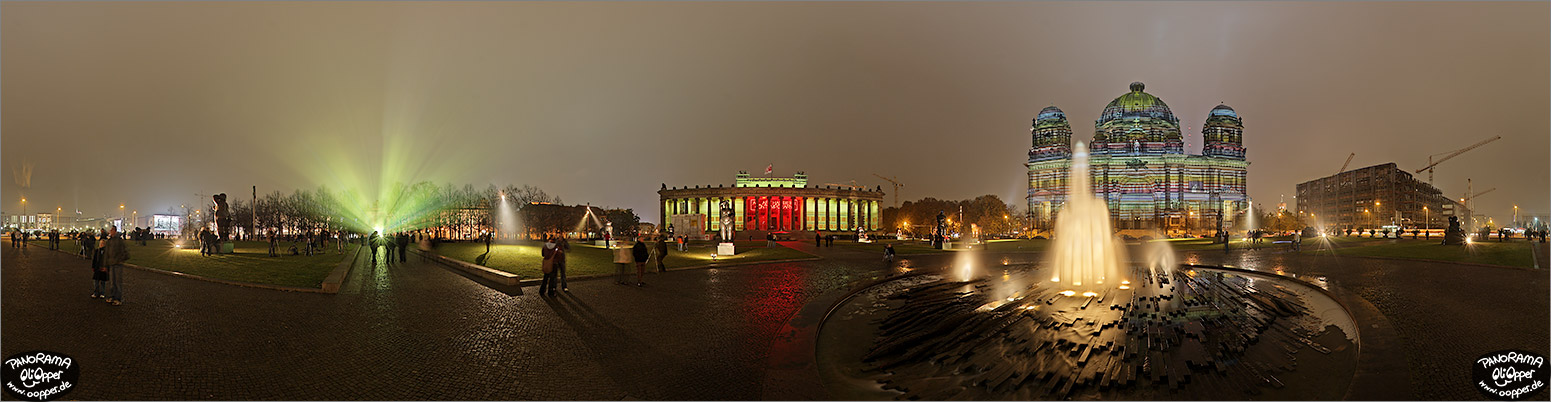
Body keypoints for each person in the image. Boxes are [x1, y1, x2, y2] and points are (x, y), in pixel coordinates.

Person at [103, 226, 129, 306]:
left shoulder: (119, 241)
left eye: (111, 230)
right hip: (111, 264)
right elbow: (106, 254)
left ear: (114, 231)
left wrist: (120, 260)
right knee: (112, 282)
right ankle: (112, 296)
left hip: (117, 264)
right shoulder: (109, 241)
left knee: (117, 282)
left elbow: (125, 252)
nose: (110, 231)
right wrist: (105, 265)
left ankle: (118, 298)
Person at [90, 235, 108, 299]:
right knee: (96, 282)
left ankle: (102, 293)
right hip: (97, 268)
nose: (101, 245)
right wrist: (93, 267)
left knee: (103, 282)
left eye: (102, 243)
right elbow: (94, 260)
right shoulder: (97, 251)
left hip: (103, 268)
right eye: (100, 243)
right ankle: (96, 292)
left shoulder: (106, 252)